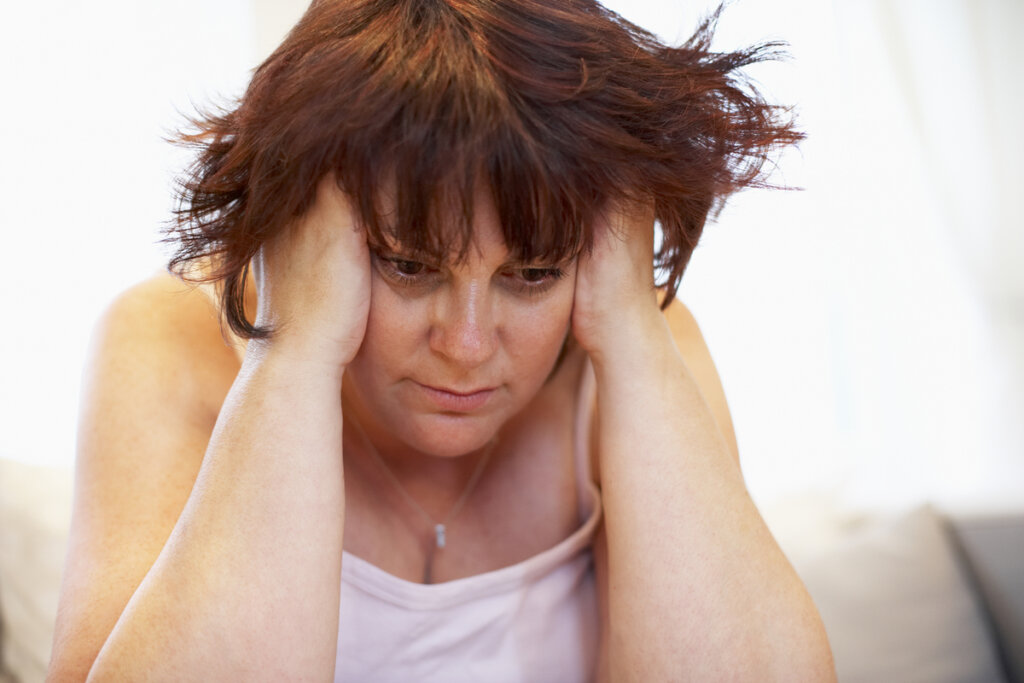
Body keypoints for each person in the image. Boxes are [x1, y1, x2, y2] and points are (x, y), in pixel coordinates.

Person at [48, 0, 835, 680]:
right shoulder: (166, 339)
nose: (465, 344)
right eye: (409, 265)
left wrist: (630, 328)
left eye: (529, 274)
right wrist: (291, 351)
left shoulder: (634, 348)